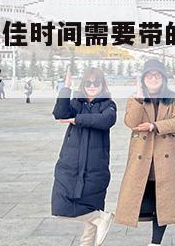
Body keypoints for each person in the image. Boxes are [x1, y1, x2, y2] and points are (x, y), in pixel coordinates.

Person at [115, 59, 175, 245]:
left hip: (164, 159)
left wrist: (154, 126)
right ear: (143, 79)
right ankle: (173, 215)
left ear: (163, 78)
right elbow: (131, 123)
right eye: (149, 75)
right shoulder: (135, 98)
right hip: (143, 158)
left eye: (157, 75)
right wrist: (139, 98)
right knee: (143, 199)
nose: (153, 79)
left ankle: (156, 242)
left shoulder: (174, 98)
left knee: (163, 202)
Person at [51, 67, 116, 246]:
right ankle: (101, 218)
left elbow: (106, 120)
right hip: (70, 165)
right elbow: (60, 113)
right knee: (61, 207)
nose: (92, 86)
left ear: (102, 85)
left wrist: (77, 120)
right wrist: (66, 88)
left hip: (95, 167)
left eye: (96, 83)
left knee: (92, 210)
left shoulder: (108, 104)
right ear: (83, 85)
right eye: (88, 83)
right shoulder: (76, 103)